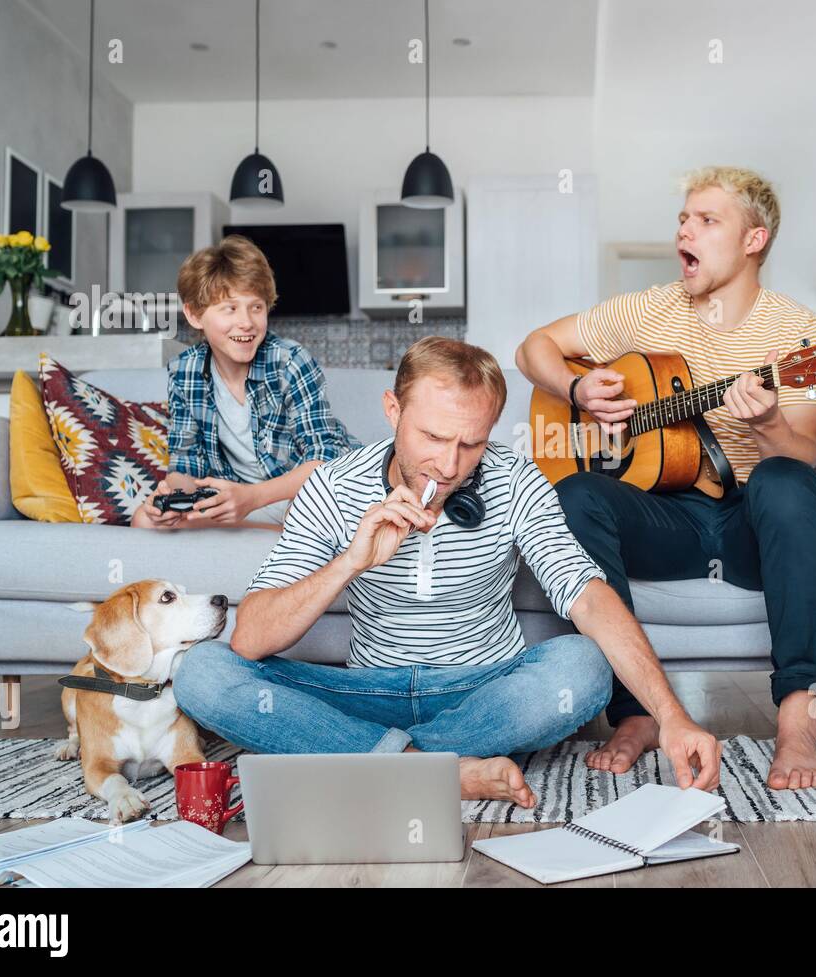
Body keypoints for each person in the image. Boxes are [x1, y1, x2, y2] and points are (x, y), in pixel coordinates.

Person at [173, 337, 721, 807]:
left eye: (472, 443)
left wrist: (671, 714)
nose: (451, 465)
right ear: (393, 411)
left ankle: (378, 761)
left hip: (482, 692)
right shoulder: (334, 486)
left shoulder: (514, 479)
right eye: (433, 438)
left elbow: (590, 597)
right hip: (367, 688)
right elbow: (250, 639)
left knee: (584, 665)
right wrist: (351, 562)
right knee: (202, 671)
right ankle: (435, 769)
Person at [515, 166, 816, 790]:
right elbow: (534, 348)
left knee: (783, 479)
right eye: (683, 219)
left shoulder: (804, 336)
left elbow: (806, 454)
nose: (685, 231)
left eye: (707, 220)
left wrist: (769, 422)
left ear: (754, 240)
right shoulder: (650, 309)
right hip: (669, 518)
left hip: (751, 523)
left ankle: (798, 716)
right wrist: (576, 387)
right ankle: (634, 714)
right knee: (576, 492)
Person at [133, 235, 356, 531]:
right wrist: (171, 497)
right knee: (144, 522)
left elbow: (325, 458)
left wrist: (252, 497)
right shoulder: (184, 371)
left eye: (256, 307)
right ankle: (275, 538)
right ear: (194, 314)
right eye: (230, 308)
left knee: (307, 514)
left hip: (304, 493)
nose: (247, 322)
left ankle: (282, 537)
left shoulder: (289, 361)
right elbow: (186, 467)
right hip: (242, 499)